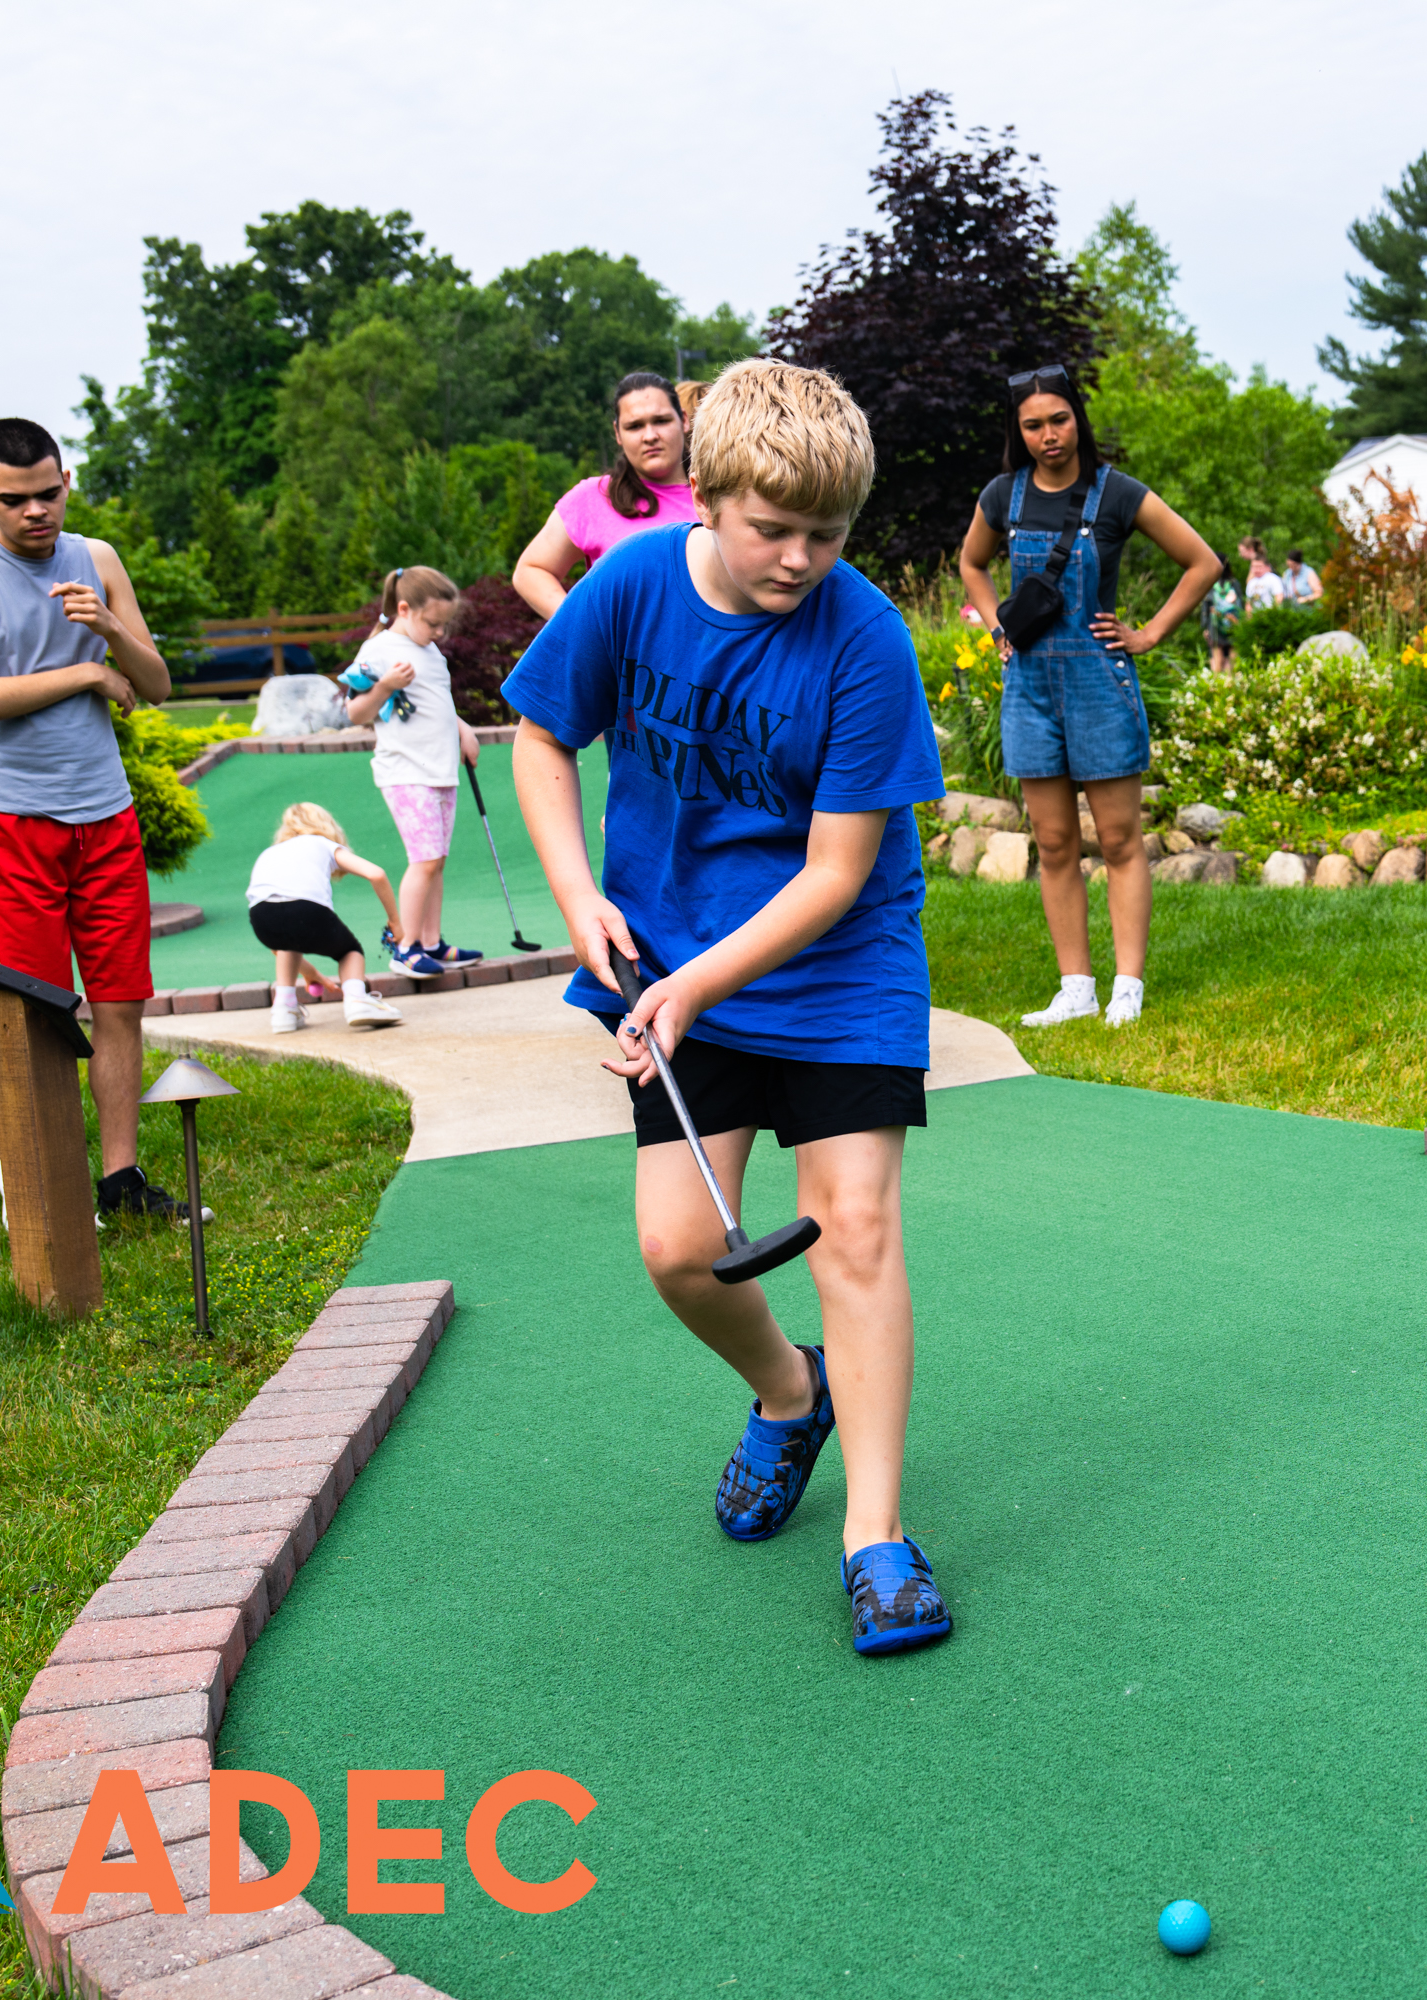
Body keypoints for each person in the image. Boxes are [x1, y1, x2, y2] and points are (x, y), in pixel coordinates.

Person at [504, 357, 953, 1658]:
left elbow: (836, 872)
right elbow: (540, 735)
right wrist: (578, 893)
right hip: (672, 952)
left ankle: (875, 1537)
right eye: (773, 529)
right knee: (678, 1250)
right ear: (701, 493)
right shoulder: (630, 585)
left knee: (851, 1226)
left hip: (836, 966)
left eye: (828, 533)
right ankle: (788, 1391)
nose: (801, 559)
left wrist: (697, 984)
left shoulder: (864, 636)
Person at [0, 416, 196, 1223]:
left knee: (120, 1000)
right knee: (41, 1008)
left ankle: (121, 1179)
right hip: (14, 815)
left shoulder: (98, 558)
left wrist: (110, 631)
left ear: (67, 482)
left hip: (106, 812)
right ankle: (40, 1172)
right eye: (14, 499)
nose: (36, 511)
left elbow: (156, 684)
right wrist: (86, 674)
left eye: (48, 493)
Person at [958, 365, 1220, 1031]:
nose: (1049, 435)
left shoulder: (1118, 494)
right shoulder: (1002, 496)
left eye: (1059, 419)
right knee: (1052, 843)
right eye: (1033, 425)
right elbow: (971, 563)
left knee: (1121, 840)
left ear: (1078, 418)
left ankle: (1127, 988)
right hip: (1029, 689)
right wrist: (995, 627)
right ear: (1018, 432)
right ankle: (1075, 989)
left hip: (1100, 685)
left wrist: (1150, 633)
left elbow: (1204, 562)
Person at [339, 566, 483, 973]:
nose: (439, 632)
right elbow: (355, 712)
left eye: (444, 624)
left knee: (437, 860)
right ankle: (406, 948)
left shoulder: (431, 652)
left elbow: (438, 701)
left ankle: (431, 944)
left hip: (441, 770)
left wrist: (463, 729)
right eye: (432, 623)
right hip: (405, 772)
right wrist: (385, 685)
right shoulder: (379, 650)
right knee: (424, 859)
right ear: (404, 609)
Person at [511, 373, 697, 618]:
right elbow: (531, 571)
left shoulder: (716, 493)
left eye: (661, 421)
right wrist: (582, 626)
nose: (650, 435)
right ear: (618, 433)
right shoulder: (595, 497)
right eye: (635, 426)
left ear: (683, 420)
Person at [246, 804, 405, 1031]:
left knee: (285, 945)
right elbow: (376, 874)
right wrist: (395, 922)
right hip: (307, 911)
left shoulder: (270, 852)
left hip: (261, 917)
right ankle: (357, 1001)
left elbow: (277, 946)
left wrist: (310, 973)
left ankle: (284, 1009)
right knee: (349, 951)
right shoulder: (322, 843)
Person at [1201, 562, 1243, 673]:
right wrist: (1205, 627)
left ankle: (1230, 678)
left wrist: (1241, 622)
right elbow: (1205, 607)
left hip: (1233, 622)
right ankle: (1218, 680)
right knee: (1217, 658)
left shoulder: (1233, 583)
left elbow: (1240, 604)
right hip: (1215, 624)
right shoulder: (1210, 584)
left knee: (1233, 658)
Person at [1240, 537, 1286, 612]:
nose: (1241, 555)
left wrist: (1272, 612)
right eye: (1254, 567)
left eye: (1242, 551)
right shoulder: (1252, 580)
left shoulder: (1272, 578)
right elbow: (1249, 602)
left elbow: (1278, 597)